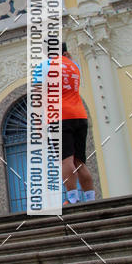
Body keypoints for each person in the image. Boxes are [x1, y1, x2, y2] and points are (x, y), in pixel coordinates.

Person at [60, 42, 95, 204]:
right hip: (80, 114)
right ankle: (90, 197)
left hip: (61, 116)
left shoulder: (46, 67)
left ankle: (72, 198)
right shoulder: (75, 67)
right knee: (80, 160)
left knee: (66, 160)